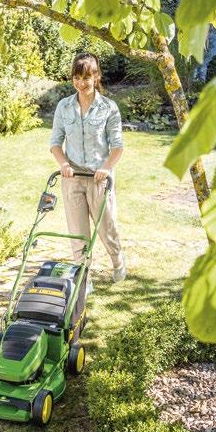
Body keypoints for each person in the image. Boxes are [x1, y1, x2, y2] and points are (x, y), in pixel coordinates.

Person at [49, 52, 126, 294]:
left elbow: (117, 147)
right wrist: (63, 164)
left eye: (86, 78)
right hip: (73, 178)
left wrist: (105, 168)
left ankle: (117, 260)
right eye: (76, 78)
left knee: (106, 228)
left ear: (97, 77)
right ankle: (84, 276)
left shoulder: (108, 108)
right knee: (78, 231)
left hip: (99, 178)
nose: (81, 83)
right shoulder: (64, 106)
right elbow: (55, 142)